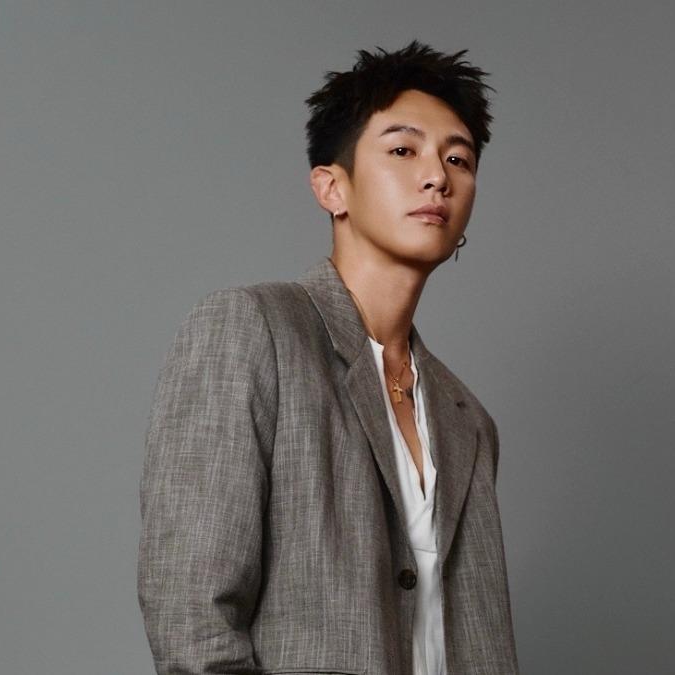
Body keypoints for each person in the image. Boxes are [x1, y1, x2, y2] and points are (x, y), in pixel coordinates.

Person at [138, 40, 519, 675]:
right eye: (403, 151)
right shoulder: (252, 330)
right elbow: (191, 614)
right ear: (332, 188)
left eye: (459, 159)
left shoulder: (467, 419)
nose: (438, 176)